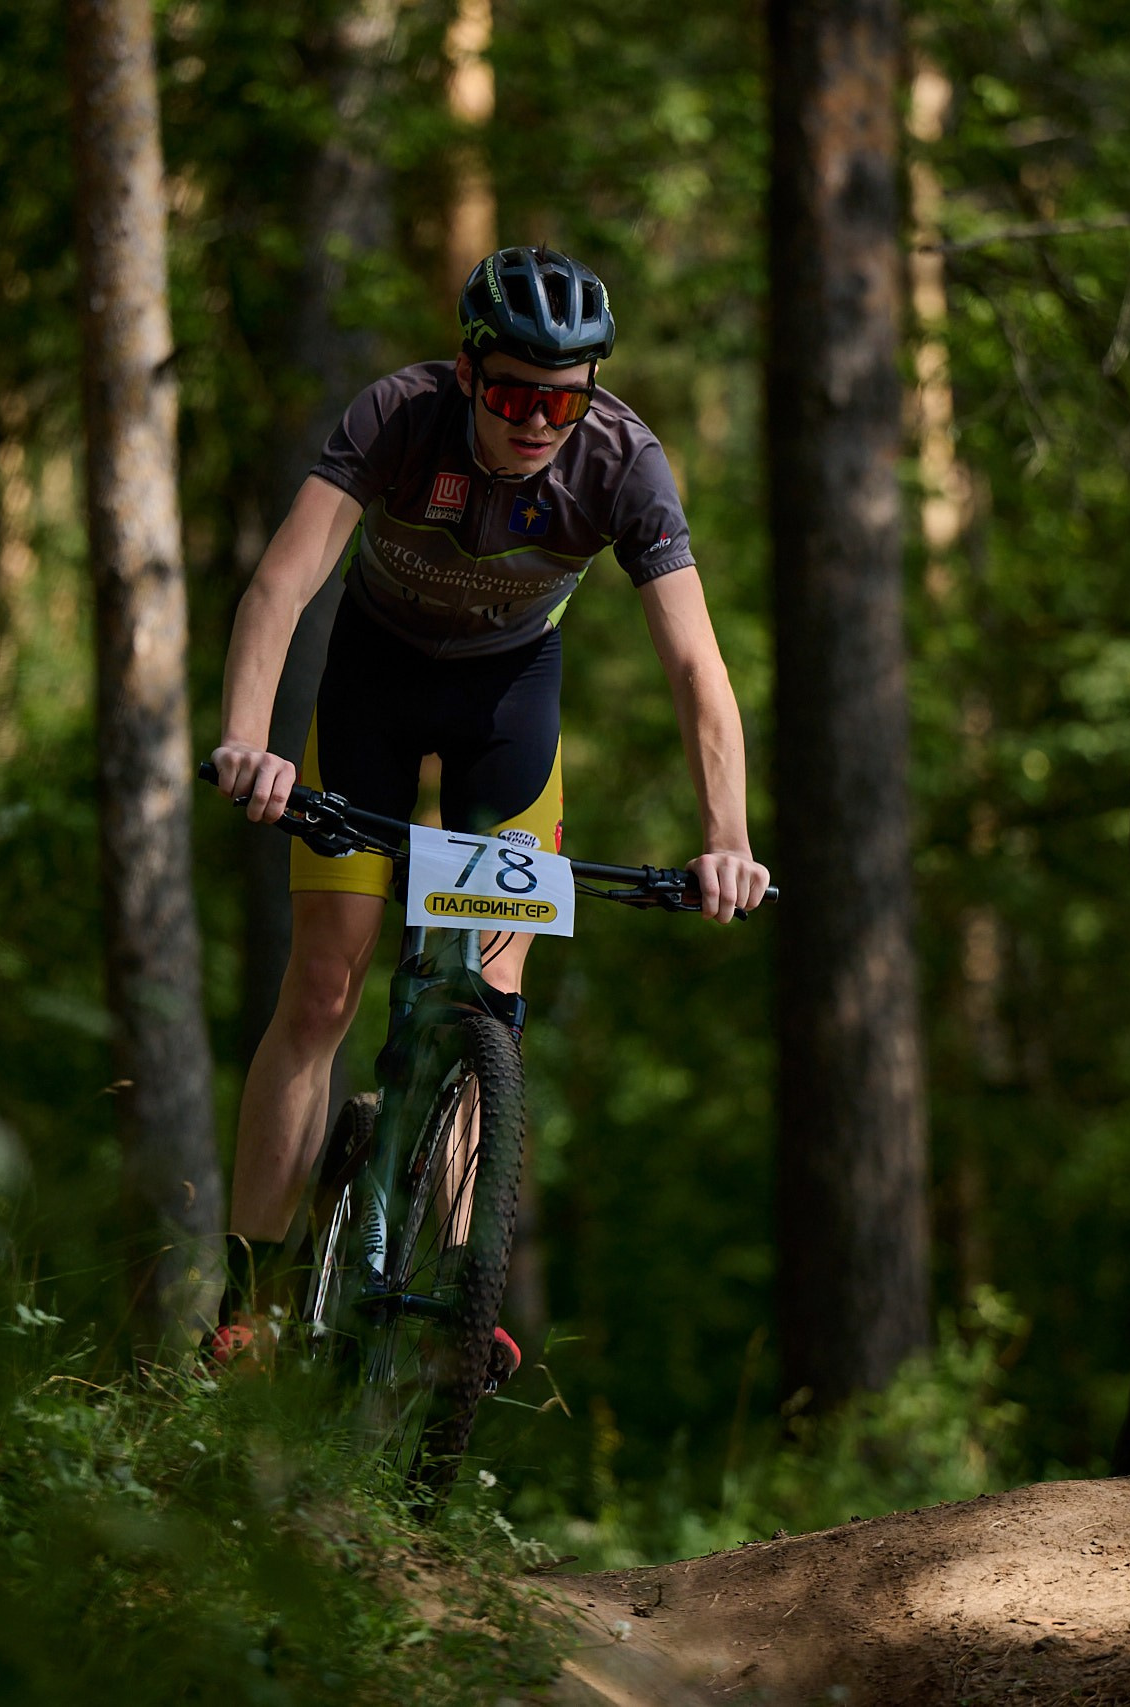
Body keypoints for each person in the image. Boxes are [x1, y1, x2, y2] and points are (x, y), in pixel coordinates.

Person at [205, 246, 770, 1366]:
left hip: (507, 703)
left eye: (565, 401)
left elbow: (696, 668)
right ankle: (249, 1302)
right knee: (323, 988)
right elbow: (282, 583)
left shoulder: (623, 463)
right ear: (468, 374)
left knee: (489, 998)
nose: (539, 423)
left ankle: (455, 1306)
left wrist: (727, 841)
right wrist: (248, 741)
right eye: (515, 397)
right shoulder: (399, 417)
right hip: (372, 684)